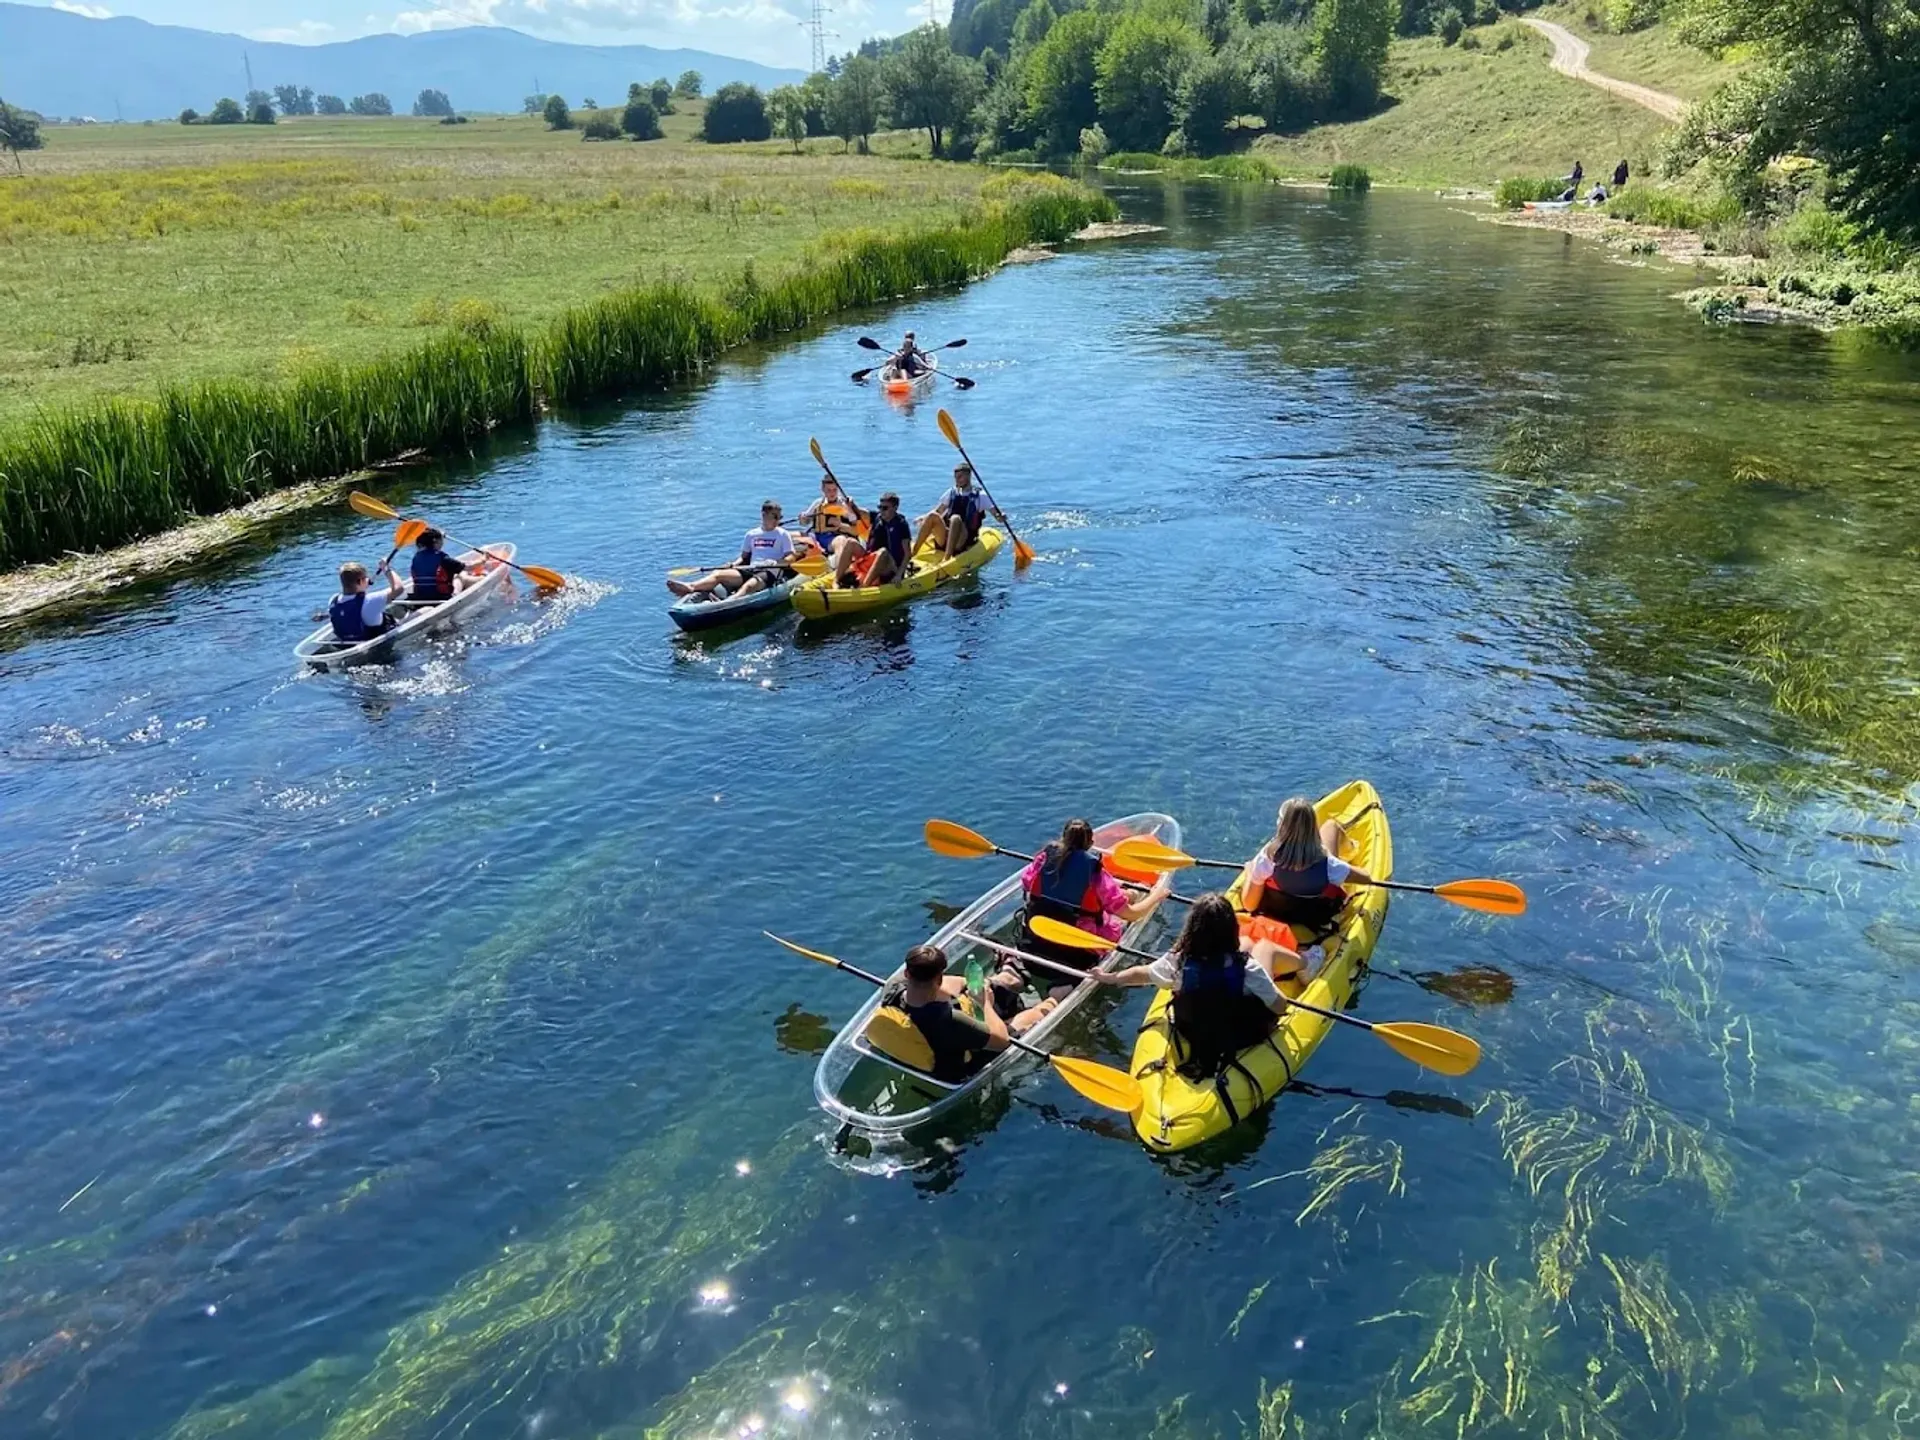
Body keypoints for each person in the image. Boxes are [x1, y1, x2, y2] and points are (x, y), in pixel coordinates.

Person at [1090, 893, 1306, 1080]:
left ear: (1192, 929)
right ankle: (1306, 962)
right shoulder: (1248, 967)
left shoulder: (1177, 963)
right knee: (1265, 948)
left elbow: (1141, 974)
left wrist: (1110, 977)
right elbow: (1280, 1006)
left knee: (1250, 944)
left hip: (1193, 1031)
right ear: (1232, 930)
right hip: (1242, 1035)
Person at [993, 819, 1172, 1011]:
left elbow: (1030, 883)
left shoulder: (1043, 860)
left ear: (1063, 839)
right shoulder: (1095, 874)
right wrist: (1155, 895)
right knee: (1117, 915)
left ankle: (1006, 977)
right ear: (1091, 844)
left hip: (1033, 945)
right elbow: (1133, 915)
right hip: (1076, 954)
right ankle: (1052, 1001)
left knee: (1013, 970)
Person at [891, 943, 1054, 1083]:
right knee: (1014, 1026)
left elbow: (946, 984)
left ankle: (1010, 976)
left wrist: (973, 985)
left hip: (924, 1044)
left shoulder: (893, 990)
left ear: (907, 974)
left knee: (983, 987)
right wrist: (985, 1003)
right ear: (938, 978)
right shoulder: (951, 1020)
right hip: (960, 1063)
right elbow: (1001, 1042)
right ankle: (1056, 998)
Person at [1243, 796, 1375, 938]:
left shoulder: (1266, 859)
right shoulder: (1330, 865)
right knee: (1331, 826)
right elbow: (1367, 878)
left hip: (1279, 913)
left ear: (1281, 825)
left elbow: (1249, 905)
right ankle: (1351, 848)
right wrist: (1338, 865)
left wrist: (1250, 871)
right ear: (1312, 828)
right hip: (1314, 918)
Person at [667, 501, 798, 602]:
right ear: (764, 515)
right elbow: (743, 557)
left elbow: (791, 557)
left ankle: (729, 602)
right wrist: (734, 564)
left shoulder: (782, 534)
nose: (778, 520)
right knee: (718, 574)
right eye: (775, 516)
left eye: (780, 517)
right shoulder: (751, 534)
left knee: (750, 585)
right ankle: (691, 586)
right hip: (751, 568)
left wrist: (774, 562)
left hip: (771, 571)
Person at [836, 490, 912, 589]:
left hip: (890, 566)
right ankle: (837, 581)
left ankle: (864, 586)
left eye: (885, 508)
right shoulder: (877, 517)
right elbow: (861, 512)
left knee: (883, 552)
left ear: (895, 508)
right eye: (880, 507)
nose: (881, 511)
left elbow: (907, 554)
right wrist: (852, 504)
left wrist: (899, 575)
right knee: (850, 542)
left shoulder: (901, 524)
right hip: (872, 559)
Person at [913, 464, 990, 558]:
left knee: (955, 518)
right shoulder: (952, 492)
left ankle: (947, 557)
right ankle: (913, 553)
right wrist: (924, 518)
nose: (957, 480)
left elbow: (996, 514)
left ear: (968, 476)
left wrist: (1000, 516)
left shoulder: (980, 495)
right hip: (947, 535)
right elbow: (938, 511)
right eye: (955, 477)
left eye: (960, 477)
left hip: (963, 539)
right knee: (932, 515)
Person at [325, 560, 404, 644]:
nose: (368, 579)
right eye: (366, 577)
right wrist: (387, 569)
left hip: (348, 642)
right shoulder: (370, 600)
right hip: (380, 645)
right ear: (360, 582)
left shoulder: (333, 600)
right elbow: (399, 588)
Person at [795, 476, 866, 566]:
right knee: (789, 535)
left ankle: (838, 570)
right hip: (815, 536)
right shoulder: (818, 503)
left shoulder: (843, 505)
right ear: (823, 490)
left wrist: (841, 522)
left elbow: (855, 526)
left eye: (834, 490)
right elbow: (805, 523)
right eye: (829, 490)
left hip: (832, 538)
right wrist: (803, 518)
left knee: (840, 541)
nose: (832, 493)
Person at [408, 528, 470, 605]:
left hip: (419, 597)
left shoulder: (416, 558)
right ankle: (457, 594)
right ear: (436, 541)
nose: (443, 543)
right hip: (441, 597)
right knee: (460, 577)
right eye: (442, 540)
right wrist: (483, 559)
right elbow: (467, 567)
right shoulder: (443, 558)